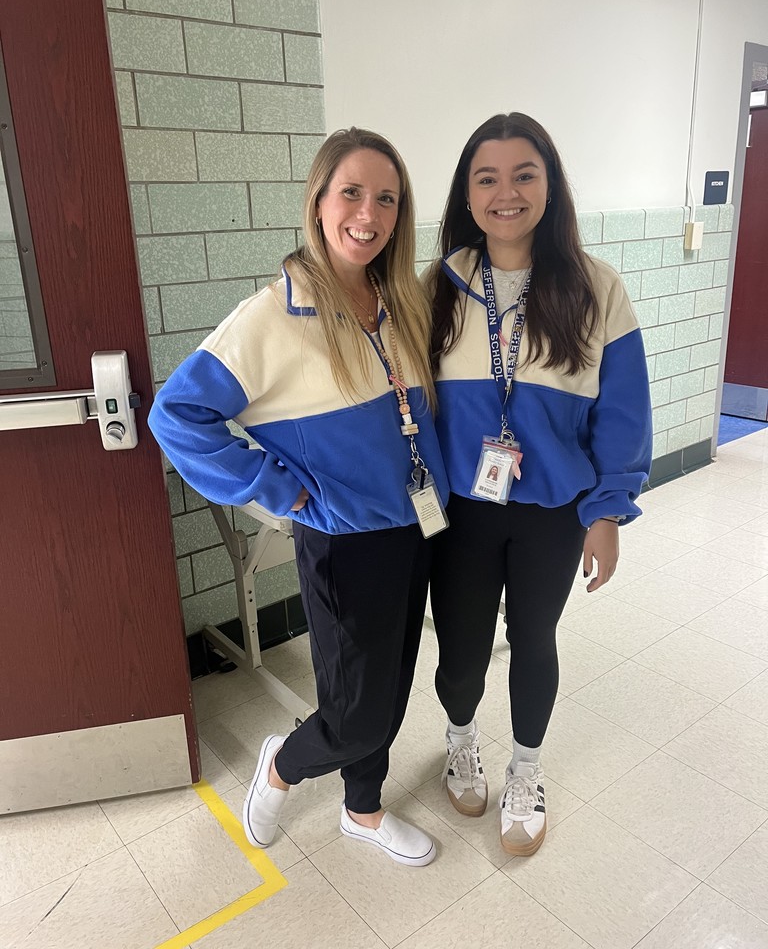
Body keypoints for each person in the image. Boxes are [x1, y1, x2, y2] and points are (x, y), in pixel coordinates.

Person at [149, 127, 449, 867]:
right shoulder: (272, 316)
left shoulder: (397, 300)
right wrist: (274, 486)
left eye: (386, 197)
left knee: (390, 688)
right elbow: (174, 416)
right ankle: (282, 765)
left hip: (417, 526)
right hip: (346, 542)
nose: (368, 213)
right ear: (317, 202)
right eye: (351, 192)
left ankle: (363, 810)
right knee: (354, 712)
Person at [426, 112, 652, 856]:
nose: (506, 193)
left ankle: (527, 767)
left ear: (550, 186)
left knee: (533, 637)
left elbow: (622, 412)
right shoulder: (441, 286)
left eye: (524, 174)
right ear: (468, 191)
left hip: (555, 509)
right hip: (464, 509)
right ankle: (460, 738)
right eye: (487, 177)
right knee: (459, 649)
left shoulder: (597, 289)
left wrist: (608, 512)